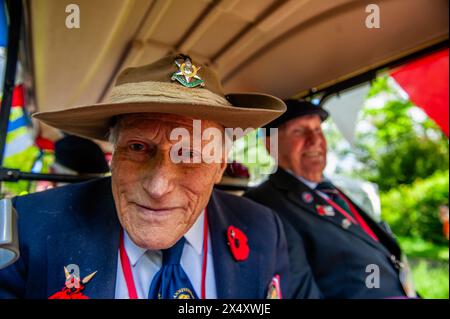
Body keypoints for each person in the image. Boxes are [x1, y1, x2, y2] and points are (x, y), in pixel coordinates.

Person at [0, 54, 293, 299]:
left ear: (219, 166)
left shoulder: (264, 230)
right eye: (138, 147)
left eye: (189, 154)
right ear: (114, 155)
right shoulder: (26, 227)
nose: (158, 187)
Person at [245, 99, 416, 298]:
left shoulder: (330, 191)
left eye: (318, 130)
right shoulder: (264, 203)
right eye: (299, 131)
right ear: (270, 145)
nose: (314, 140)